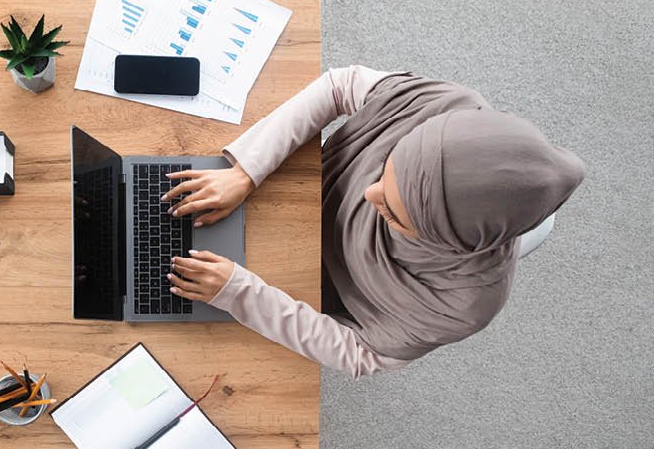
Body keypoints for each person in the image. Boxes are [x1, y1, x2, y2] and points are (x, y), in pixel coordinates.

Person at [161, 66, 585, 378]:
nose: (368, 194)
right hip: (291, 194)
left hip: (315, 287)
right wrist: (246, 171)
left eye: (396, 213)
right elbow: (338, 86)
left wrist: (241, 293)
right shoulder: (446, 107)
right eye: (386, 169)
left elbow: (360, 354)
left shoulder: (464, 306)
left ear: (442, 241)